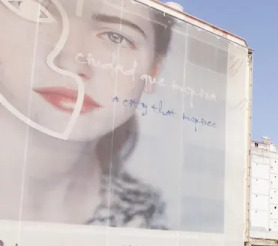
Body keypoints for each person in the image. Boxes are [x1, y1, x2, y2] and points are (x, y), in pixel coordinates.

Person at [0, 0, 173, 228]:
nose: (71, 63)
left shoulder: (145, 215)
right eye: (36, 11)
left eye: (116, 37)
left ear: (153, 70)